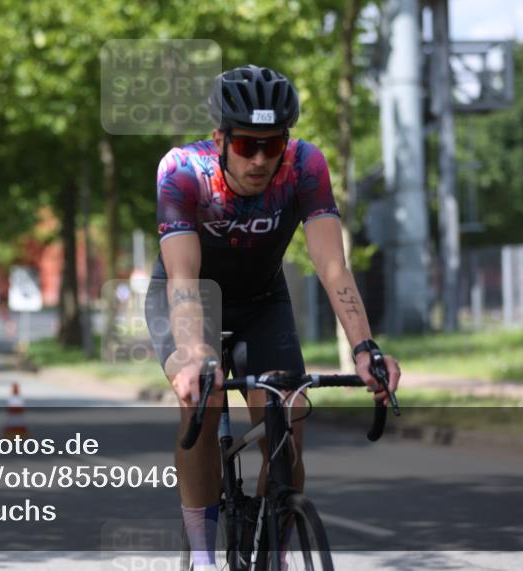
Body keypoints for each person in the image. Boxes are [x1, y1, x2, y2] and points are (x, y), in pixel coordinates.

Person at [145, 65, 401, 570]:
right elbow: (182, 278)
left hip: (264, 301)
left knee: (288, 419)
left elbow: (333, 266)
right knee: (204, 400)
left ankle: (274, 552)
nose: (261, 159)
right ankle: (202, 555)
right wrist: (195, 353)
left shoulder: (305, 166)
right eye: (246, 146)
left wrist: (364, 348)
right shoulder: (182, 170)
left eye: (273, 144)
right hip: (191, 297)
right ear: (219, 138)